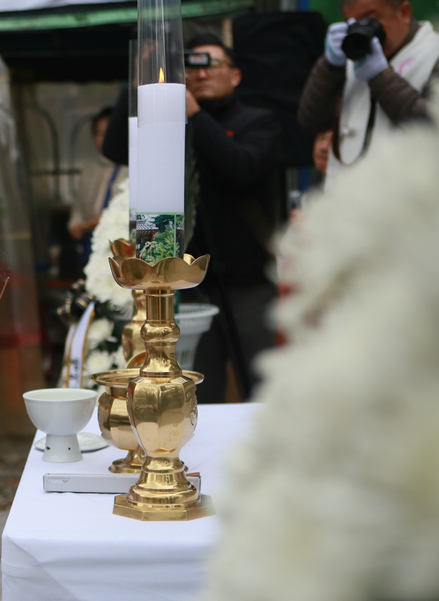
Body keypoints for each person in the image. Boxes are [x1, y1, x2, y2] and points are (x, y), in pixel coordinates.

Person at [183, 34, 284, 402]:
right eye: (192, 67)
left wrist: (196, 114)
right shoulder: (173, 125)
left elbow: (242, 168)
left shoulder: (259, 120)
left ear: (236, 75)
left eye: (213, 64)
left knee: (262, 387)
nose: (202, 73)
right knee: (198, 392)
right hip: (193, 283)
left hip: (248, 282)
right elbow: (116, 148)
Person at [298, 0, 439, 186]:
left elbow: (431, 128)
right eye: (352, 23)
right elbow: (312, 121)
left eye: (371, 20)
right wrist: (329, 67)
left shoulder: (432, 53)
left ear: (404, 13)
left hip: (407, 203)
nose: (363, 31)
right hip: (347, 199)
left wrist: (380, 77)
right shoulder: (353, 53)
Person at [68, 107, 121, 266]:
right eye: (99, 134)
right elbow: (78, 207)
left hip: (120, 250)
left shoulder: (133, 168)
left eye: (110, 133)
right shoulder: (89, 170)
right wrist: (75, 224)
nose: (104, 139)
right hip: (90, 245)